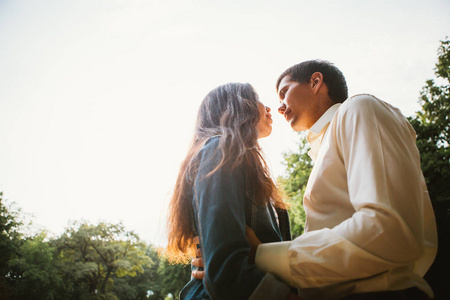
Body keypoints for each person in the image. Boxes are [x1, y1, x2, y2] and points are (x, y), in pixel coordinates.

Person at [194, 60, 438, 300]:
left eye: (284, 92)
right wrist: (222, 261)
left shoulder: (360, 108)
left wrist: (259, 256)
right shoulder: (322, 151)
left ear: (315, 82)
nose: (278, 107)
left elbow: (391, 231)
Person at [166, 83, 300, 300]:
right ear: (236, 106)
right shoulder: (219, 151)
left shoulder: (250, 167)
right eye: (256, 98)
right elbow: (226, 273)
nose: (268, 108)